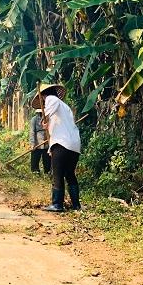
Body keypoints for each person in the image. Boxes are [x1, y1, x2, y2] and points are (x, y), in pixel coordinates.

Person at [32, 83, 81, 212]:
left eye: (42, 98)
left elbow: (47, 113)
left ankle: (57, 204)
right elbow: (58, 128)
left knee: (57, 173)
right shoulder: (65, 107)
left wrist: (44, 120)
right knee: (70, 174)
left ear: (44, 95)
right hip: (74, 144)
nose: (43, 101)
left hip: (62, 143)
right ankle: (76, 205)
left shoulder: (51, 99)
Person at [29, 109, 51, 174]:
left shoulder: (49, 119)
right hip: (37, 144)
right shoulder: (34, 119)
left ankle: (47, 172)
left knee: (47, 159)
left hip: (47, 143)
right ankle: (35, 171)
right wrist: (32, 144)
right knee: (35, 158)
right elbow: (32, 132)